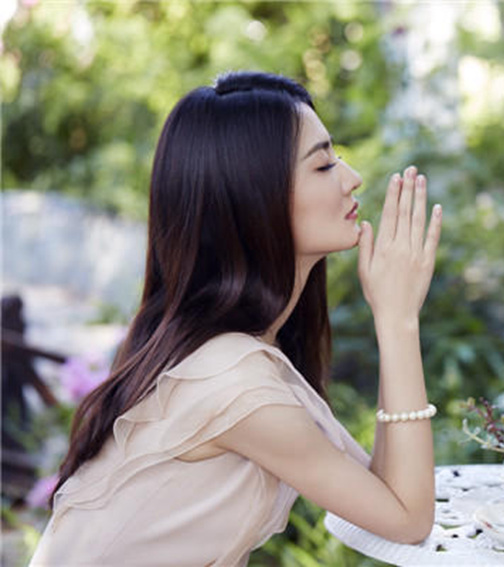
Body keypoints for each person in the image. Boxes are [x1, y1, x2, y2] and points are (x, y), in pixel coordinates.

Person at [29, 70, 443, 566]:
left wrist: (395, 316)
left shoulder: (226, 352)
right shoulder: (232, 381)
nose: (351, 177)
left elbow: (389, 495)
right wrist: (397, 320)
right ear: (254, 197)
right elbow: (408, 519)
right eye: (324, 164)